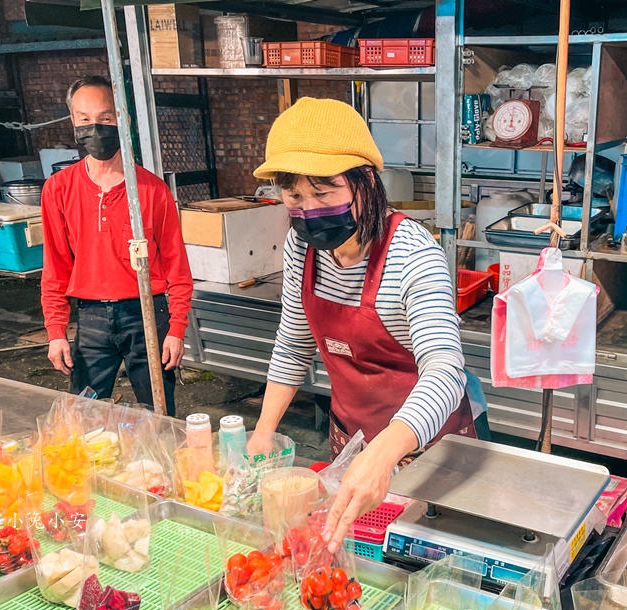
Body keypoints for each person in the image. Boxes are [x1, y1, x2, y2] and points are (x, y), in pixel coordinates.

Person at [247, 97, 475, 551]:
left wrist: (387, 450)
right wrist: (263, 431)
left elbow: (447, 370)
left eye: (325, 192)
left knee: (423, 567)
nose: (309, 210)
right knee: (353, 557)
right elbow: (294, 346)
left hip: (425, 448)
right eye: (294, 196)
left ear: (365, 182)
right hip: (349, 440)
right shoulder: (302, 249)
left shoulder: (413, 253)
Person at [40, 75, 192, 415]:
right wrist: (56, 331)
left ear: (122, 119)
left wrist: (177, 328)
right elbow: (56, 267)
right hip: (91, 317)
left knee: (159, 415)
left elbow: (176, 266)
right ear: (73, 122)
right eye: (85, 119)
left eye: (106, 119)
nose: (96, 128)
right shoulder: (58, 189)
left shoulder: (152, 190)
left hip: (147, 314)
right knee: (81, 414)